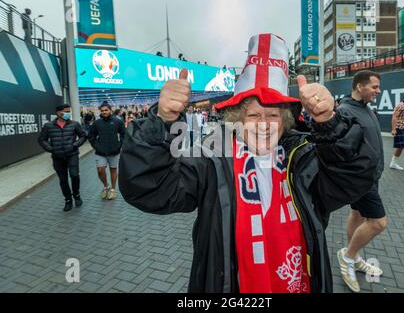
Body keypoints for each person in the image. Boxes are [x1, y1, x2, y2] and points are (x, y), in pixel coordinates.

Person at [119, 34, 379, 293]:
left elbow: (354, 178)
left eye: (272, 115)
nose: (264, 124)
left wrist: (330, 123)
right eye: (253, 115)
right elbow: (148, 189)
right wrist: (161, 121)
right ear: (236, 119)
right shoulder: (212, 155)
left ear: (285, 120)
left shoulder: (304, 155)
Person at [336, 70, 387, 293]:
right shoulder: (345, 111)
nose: (378, 91)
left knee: (357, 214)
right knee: (378, 223)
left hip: (371, 177)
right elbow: (340, 150)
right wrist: (358, 173)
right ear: (360, 86)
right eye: (374, 87)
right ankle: (347, 258)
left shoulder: (365, 109)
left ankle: (353, 255)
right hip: (361, 179)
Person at [38, 104, 86, 211]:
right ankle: (68, 200)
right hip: (57, 157)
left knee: (74, 175)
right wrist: (51, 149)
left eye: (69, 111)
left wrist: (75, 145)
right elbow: (42, 140)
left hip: (72, 155)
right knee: (63, 180)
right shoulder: (48, 126)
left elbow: (83, 136)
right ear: (58, 112)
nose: (68, 113)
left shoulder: (74, 124)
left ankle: (76, 195)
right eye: (66, 111)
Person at [88, 101, 126, 201]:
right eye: (102, 110)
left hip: (114, 151)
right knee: (100, 170)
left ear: (110, 110)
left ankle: (113, 189)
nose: (104, 112)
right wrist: (96, 146)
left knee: (113, 170)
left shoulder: (118, 122)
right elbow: (91, 136)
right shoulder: (97, 123)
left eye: (106, 110)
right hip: (100, 152)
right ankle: (106, 186)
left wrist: (119, 146)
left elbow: (123, 134)